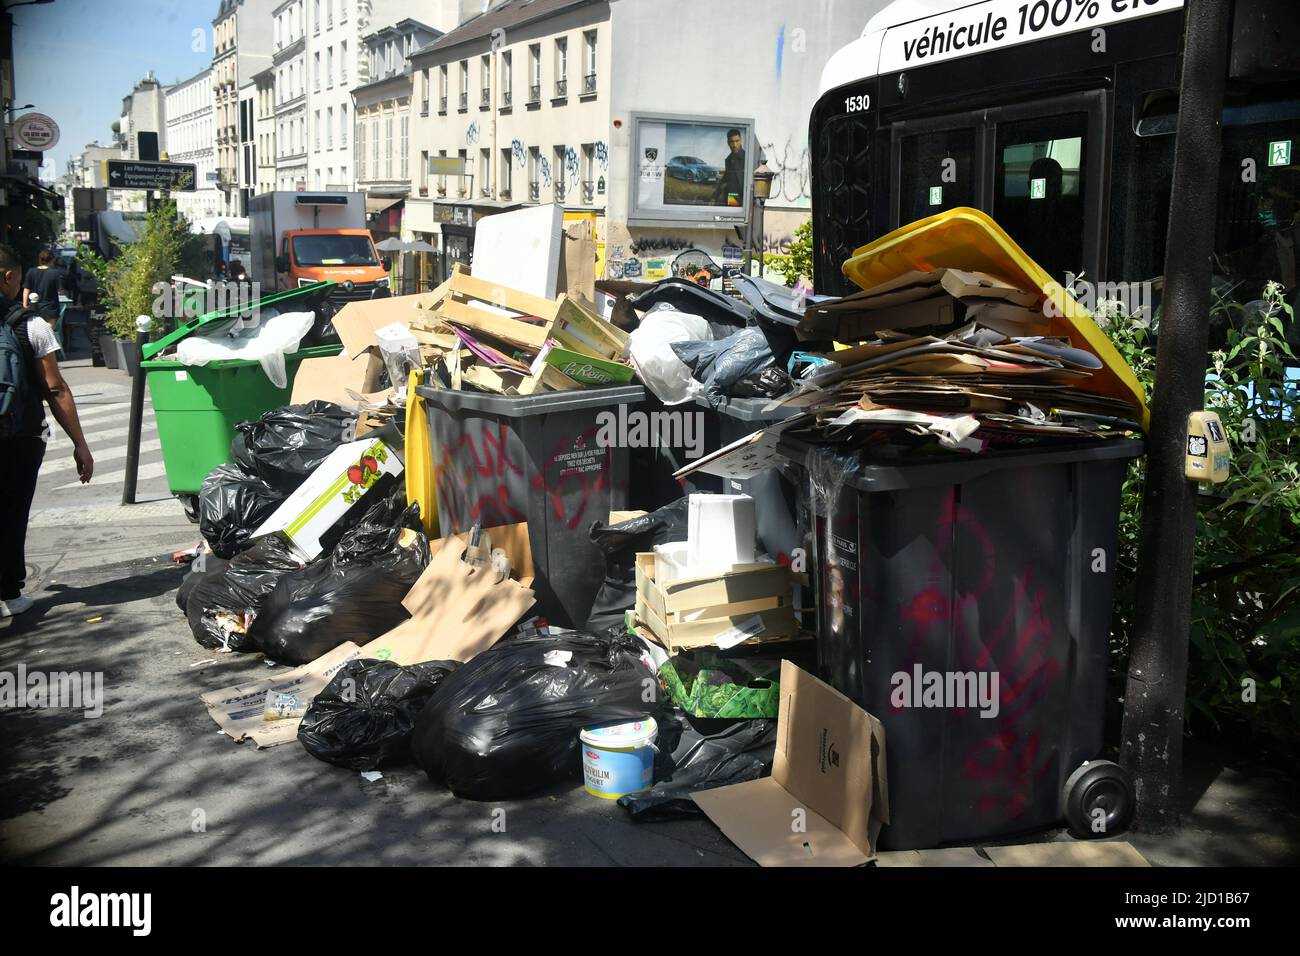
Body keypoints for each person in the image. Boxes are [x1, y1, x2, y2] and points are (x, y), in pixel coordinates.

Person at [1, 243, 94, 618]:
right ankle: (10, 592)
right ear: (10, 277)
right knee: (11, 512)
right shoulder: (29, 324)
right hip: (17, 436)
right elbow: (55, 388)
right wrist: (81, 446)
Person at [22, 249, 67, 326]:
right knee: (49, 333)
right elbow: (60, 292)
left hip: (34, 307)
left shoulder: (31, 271)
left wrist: (25, 305)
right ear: (52, 260)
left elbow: (26, 289)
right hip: (50, 309)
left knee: (34, 333)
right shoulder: (55, 273)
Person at [714, 128, 747, 207]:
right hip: (732, 197)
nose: (735, 145)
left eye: (737, 141)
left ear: (741, 140)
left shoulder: (747, 157)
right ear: (728, 142)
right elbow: (725, 179)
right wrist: (714, 197)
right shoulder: (729, 159)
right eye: (732, 142)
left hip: (744, 199)